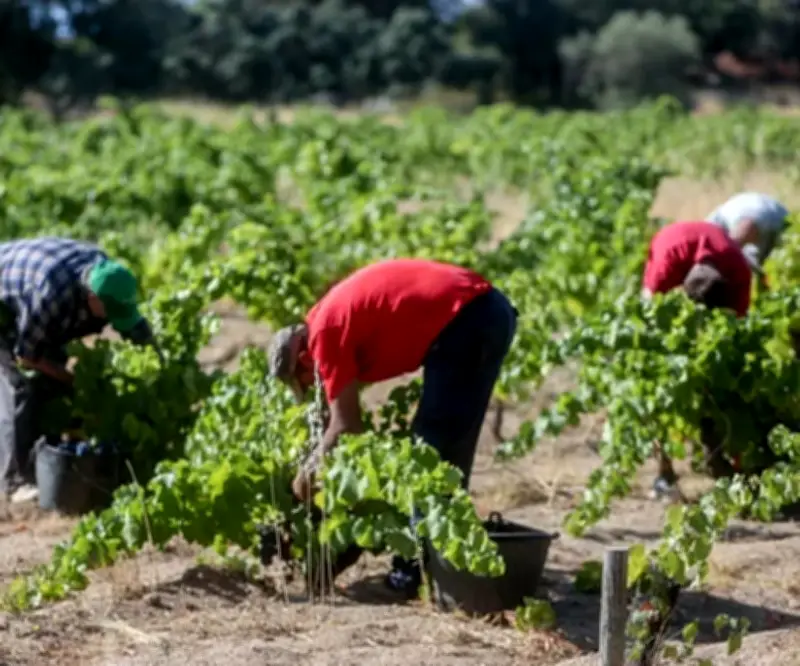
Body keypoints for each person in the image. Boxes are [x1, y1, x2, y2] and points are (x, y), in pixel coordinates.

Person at [268, 258, 517, 596]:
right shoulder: (327, 321)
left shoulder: (323, 335)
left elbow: (345, 427)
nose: (312, 386)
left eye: (304, 382)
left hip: (467, 319)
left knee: (429, 451)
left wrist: (306, 476)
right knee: (450, 450)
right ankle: (441, 570)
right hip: (485, 310)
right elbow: (336, 418)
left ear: (302, 361)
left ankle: (410, 575)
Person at [0, 237, 156, 504]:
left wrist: (153, 354)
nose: (112, 319)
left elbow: (132, 325)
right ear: (92, 298)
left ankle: (42, 458)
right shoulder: (49, 296)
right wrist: (69, 379)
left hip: (37, 294)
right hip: (5, 303)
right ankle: (13, 480)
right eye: (110, 312)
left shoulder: (108, 276)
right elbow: (26, 357)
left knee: (51, 380)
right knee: (20, 387)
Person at [641, 221, 752, 500]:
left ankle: (722, 455)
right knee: (655, 382)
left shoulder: (739, 274)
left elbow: (739, 330)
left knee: (724, 374)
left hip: (720, 261)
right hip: (672, 245)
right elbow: (647, 314)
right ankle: (664, 472)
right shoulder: (666, 266)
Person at [706, 192, 789, 289]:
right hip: (769, 216)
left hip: (765, 218)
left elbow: (748, 226)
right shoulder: (716, 223)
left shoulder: (773, 221)